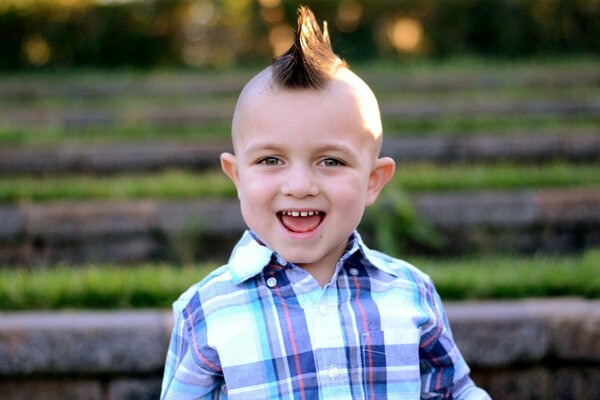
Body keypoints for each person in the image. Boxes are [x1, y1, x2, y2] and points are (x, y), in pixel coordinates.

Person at [161, 6, 491, 400]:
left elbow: (454, 391)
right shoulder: (205, 310)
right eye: (271, 160)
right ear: (237, 176)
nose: (299, 186)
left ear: (373, 181)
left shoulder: (410, 293)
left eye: (331, 161)